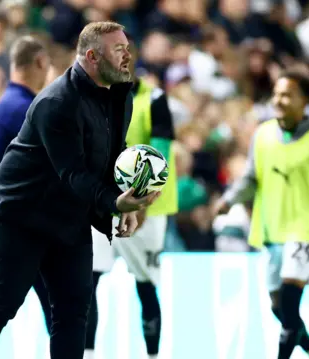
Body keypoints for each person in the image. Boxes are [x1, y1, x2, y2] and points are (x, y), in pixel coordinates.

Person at [0, 21, 159, 359]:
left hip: (69, 217)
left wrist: (129, 201)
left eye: (128, 49)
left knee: (72, 313)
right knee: (2, 305)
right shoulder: (57, 101)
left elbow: (112, 155)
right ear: (92, 56)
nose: (127, 58)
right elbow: (73, 173)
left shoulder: (121, 96)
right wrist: (113, 202)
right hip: (22, 217)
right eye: (119, 50)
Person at [213, 71, 309, 359]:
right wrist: (229, 200)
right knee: (278, 307)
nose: (278, 100)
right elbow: (250, 177)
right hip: (272, 227)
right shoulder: (263, 134)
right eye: (276, 94)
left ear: (305, 100)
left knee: (290, 301)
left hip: (307, 227)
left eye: (287, 95)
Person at [85, 35, 177, 359]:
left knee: (146, 285)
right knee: (89, 280)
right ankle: (89, 353)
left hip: (149, 210)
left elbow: (161, 154)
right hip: (103, 205)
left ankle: (152, 355)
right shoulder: (93, 99)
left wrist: (141, 200)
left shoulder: (154, 100)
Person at [0, 36, 54, 333]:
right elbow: (55, 161)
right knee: (0, 305)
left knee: (56, 305)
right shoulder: (23, 109)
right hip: (23, 220)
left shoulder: (14, 103)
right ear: (40, 62)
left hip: (25, 217)